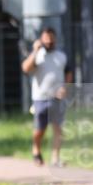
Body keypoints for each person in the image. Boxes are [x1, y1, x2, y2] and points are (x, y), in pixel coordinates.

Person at [21, 27, 73, 166]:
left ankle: (55, 159)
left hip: (57, 98)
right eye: (46, 39)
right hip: (40, 98)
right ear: (41, 40)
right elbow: (25, 68)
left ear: (55, 39)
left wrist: (65, 87)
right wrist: (35, 51)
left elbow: (69, 73)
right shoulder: (37, 56)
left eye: (51, 39)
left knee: (58, 129)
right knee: (40, 130)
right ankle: (36, 150)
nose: (49, 42)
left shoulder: (62, 56)